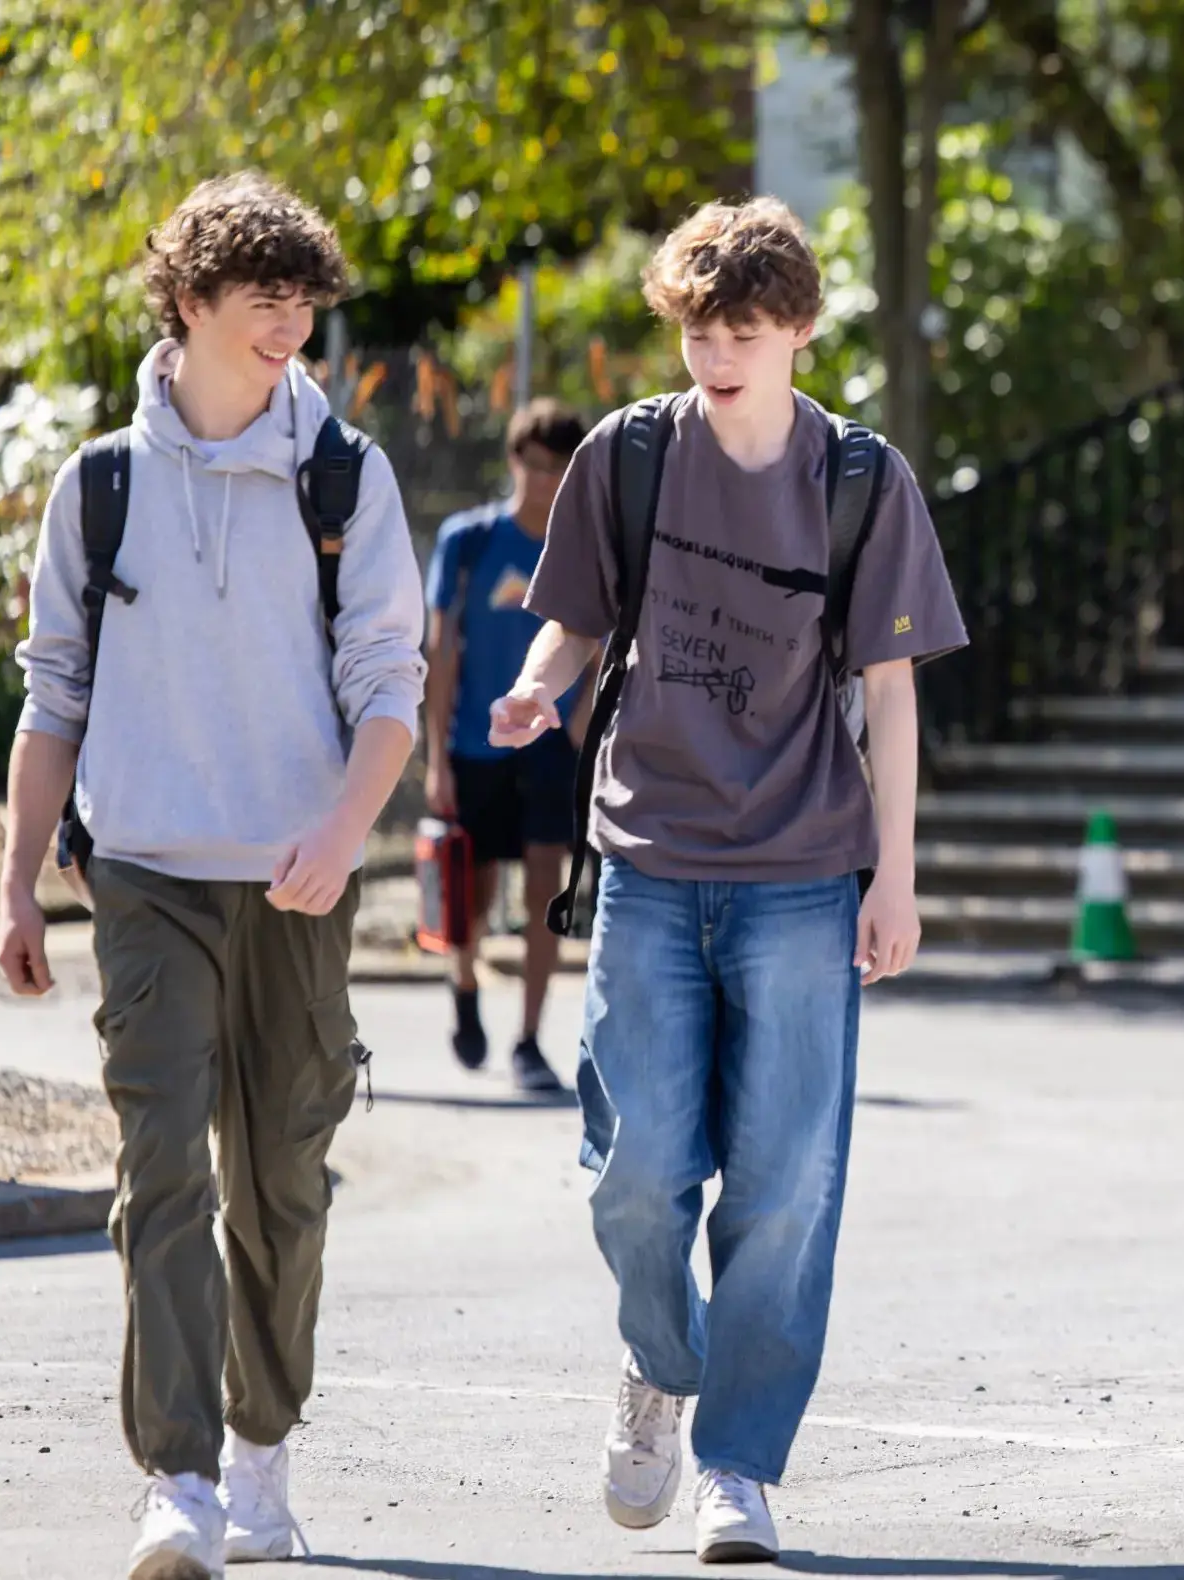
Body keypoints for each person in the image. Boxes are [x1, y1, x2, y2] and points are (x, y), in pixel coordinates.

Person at [493, 196, 965, 1563]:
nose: (715, 354)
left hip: (806, 870)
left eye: (745, 332)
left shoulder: (861, 479)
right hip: (647, 853)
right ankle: (658, 1357)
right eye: (698, 329)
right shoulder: (627, 457)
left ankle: (740, 1465)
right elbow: (576, 619)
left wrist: (897, 875)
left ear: (803, 329)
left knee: (788, 1183)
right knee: (636, 1173)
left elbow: (891, 689)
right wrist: (534, 693)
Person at [0, 173, 426, 1580]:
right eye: (263, 297)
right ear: (187, 304)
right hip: (146, 874)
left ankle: (261, 1448)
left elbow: (389, 685)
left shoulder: (346, 477)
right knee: (162, 1165)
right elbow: (53, 691)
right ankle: (175, 1483)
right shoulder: (100, 487)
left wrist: (347, 826)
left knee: (282, 1185)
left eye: (306, 297)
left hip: (301, 877)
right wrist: (15, 887)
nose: (291, 322)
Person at [423, 399, 591, 1093]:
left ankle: (528, 1039)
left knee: (544, 892)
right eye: (535, 464)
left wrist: (583, 735)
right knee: (475, 888)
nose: (545, 482)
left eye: (560, 469)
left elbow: (601, 634)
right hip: (474, 742)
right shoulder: (468, 541)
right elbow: (441, 654)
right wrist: (434, 758)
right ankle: (463, 985)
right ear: (515, 460)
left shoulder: (581, 547)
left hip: (551, 747)